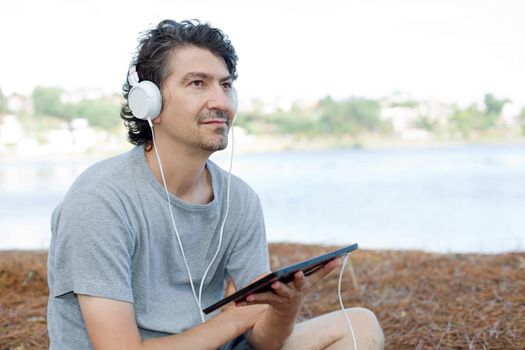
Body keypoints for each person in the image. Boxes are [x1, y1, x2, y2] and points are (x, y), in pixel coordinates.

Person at [47, 19, 384, 350]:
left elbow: (264, 341)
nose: (221, 102)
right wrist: (238, 317)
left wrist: (283, 307)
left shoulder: (239, 200)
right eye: (197, 83)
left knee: (360, 326)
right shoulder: (99, 201)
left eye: (225, 85)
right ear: (149, 103)